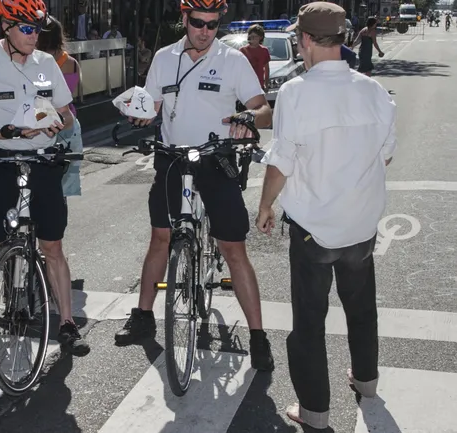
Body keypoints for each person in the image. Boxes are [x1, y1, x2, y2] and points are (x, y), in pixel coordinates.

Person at [255, 2, 396, 429]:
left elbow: (282, 162)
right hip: (361, 225)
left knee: (309, 323)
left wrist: (265, 206)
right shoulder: (372, 90)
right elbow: (385, 156)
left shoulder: (297, 92)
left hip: (314, 228)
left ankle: (315, 412)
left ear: (306, 40)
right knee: (361, 307)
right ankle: (366, 381)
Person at [114, 0, 275, 373]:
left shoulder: (233, 60)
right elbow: (151, 106)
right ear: (184, 20)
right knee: (160, 238)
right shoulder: (164, 58)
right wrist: (138, 115)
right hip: (172, 159)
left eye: (213, 24)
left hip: (216, 160)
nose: (205, 31)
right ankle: (142, 316)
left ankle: (258, 336)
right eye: (198, 22)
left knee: (233, 249)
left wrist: (246, 116)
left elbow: (263, 109)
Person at [0, 0, 90, 364]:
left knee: (53, 247)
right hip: (0, 163)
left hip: (44, 164)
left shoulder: (47, 64)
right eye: (28, 29)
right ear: (6, 28)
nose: (35, 36)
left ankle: (65, 323)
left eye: (38, 29)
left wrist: (54, 122)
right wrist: (4, 131)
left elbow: (66, 115)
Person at [36, 14, 83, 197]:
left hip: (41, 124)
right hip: (68, 122)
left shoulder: (37, 63)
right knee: (65, 181)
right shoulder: (72, 63)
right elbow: (75, 91)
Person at [239, 24, 270, 91]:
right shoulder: (242, 50)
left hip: (259, 84)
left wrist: (266, 84)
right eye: (251, 36)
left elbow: (267, 69)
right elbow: (238, 69)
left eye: (255, 37)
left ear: (260, 37)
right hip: (245, 85)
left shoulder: (264, 50)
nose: (253, 39)